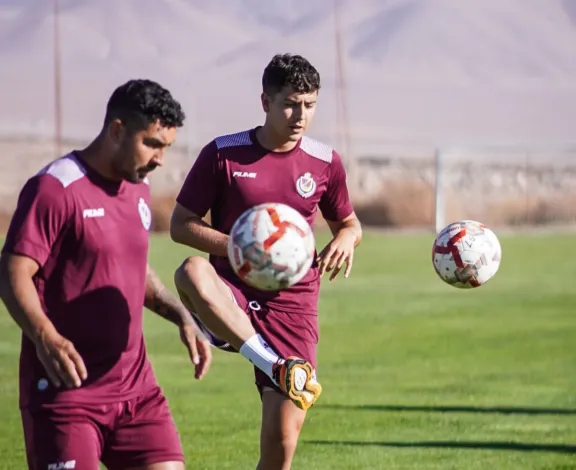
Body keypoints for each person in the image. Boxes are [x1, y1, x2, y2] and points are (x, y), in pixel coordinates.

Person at [0, 79, 212, 470]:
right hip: (67, 393)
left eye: (166, 147)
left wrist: (180, 315)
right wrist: (45, 336)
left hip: (136, 389)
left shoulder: (139, 188)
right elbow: (13, 271)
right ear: (117, 130)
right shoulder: (56, 189)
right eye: (152, 143)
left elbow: (130, 266)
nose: (160, 159)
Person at [170, 54, 363, 469]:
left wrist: (347, 238)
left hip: (292, 304)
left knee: (280, 447)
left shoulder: (325, 161)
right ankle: (271, 363)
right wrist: (243, 249)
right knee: (190, 271)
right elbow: (181, 225)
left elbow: (349, 223)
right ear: (265, 101)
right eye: (290, 103)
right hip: (230, 294)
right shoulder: (223, 154)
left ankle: (277, 368)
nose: (300, 116)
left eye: (310, 105)